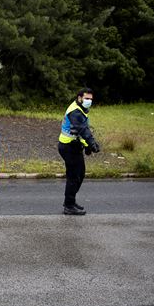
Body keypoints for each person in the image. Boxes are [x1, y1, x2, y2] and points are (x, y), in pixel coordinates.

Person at [58, 87, 101, 215]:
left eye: (90, 99)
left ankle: (70, 201)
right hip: (68, 147)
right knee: (74, 176)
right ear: (79, 98)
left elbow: (79, 132)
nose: (89, 101)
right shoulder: (75, 112)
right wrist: (92, 143)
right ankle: (69, 205)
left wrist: (86, 146)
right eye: (86, 98)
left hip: (74, 146)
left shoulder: (81, 109)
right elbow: (83, 129)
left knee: (80, 175)